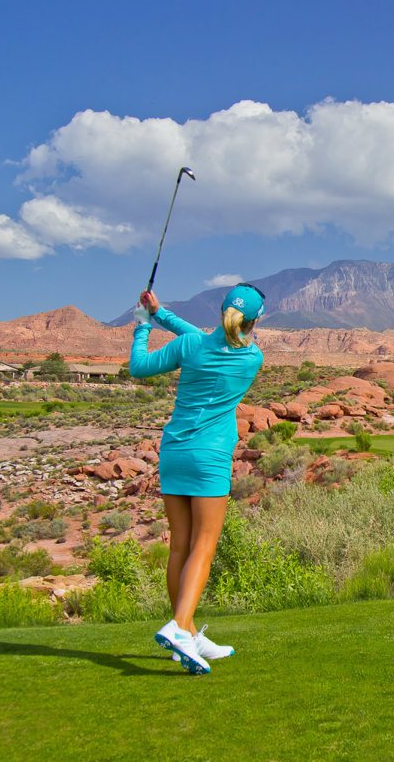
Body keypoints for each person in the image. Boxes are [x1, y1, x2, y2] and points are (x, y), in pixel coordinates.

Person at [128, 283, 265, 674]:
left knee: (180, 548)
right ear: (254, 321)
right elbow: (212, 340)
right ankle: (178, 629)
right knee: (203, 548)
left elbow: (141, 366)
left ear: (220, 309)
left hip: (173, 454)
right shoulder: (252, 357)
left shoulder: (189, 348)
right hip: (210, 458)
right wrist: (160, 315)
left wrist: (146, 321)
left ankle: (186, 631)